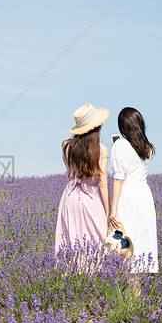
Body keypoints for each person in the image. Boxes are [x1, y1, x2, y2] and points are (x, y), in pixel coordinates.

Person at [55, 104, 110, 258]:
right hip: (90, 199)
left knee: (70, 239)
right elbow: (103, 182)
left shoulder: (67, 146)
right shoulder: (101, 150)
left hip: (69, 197)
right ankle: (94, 278)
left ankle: (72, 276)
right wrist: (108, 211)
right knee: (98, 241)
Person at [109, 107, 158, 273]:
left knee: (125, 239)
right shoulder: (147, 147)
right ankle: (137, 288)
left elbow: (118, 178)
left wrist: (113, 209)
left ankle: (129, 287)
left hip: (127, 194)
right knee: (143, 237)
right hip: (144, 194)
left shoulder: (120, 145)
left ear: (123, 127)